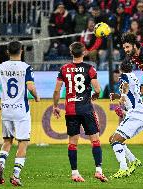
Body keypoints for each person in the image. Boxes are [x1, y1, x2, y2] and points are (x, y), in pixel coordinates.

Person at [0, 41, 40, 186]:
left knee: (7, 141)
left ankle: (2, 163)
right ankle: (15, 175)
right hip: (21, 111)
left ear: (7, 52)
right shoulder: (26, 67)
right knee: (23, 142)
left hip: (7, 110)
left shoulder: (1, 66)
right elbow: (30, 86)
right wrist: (36, 96)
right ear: (21, 51)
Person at [52, 42, 108, 182]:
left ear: (71, 53)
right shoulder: (90, 69)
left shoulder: (64, 69)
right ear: (83, 53)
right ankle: (98, 171)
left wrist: (55, 106)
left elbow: (57, 90)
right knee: (95, 140)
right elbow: (97, 90)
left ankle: (75, 173)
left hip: (71, 110)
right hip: (86, 109)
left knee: (72, 143)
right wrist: (94, 95)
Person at [109, 60, 143, 178]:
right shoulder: (135, 77)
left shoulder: (124, 76)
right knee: (113, 138)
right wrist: (118, 96)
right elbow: (132, 95)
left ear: (121, 69)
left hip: (135, 115)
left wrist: (121, 97)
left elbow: (125, 87)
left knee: (115, 140)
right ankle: (134, 160)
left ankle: (123, 168)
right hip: (142, 116)